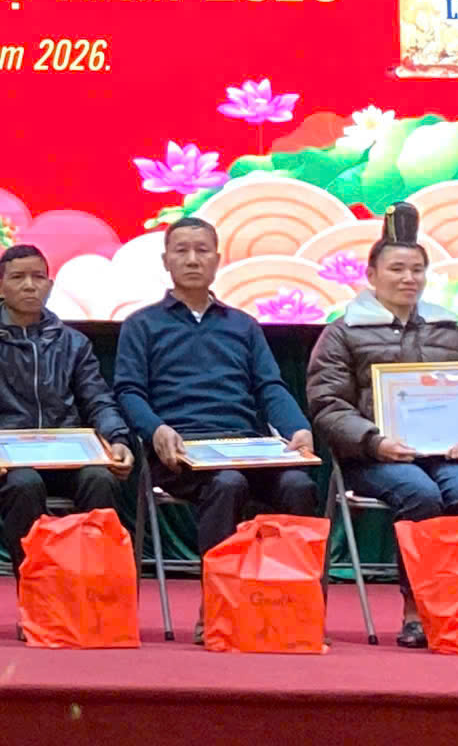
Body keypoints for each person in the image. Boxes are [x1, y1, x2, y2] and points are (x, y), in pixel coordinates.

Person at [113, 215, 317, 639]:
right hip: (181, 451)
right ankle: (219, 606)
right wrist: (156, 429)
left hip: (246, 447)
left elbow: (270, 387)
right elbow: (129, 392)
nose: (192, 260)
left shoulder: (242, 325)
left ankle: (290, 607)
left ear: (218, 259)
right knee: (227, 483)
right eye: (182, 251)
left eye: (202, 250)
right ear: (166, 261)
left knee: (297, 484)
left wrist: (297, 427)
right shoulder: (142, 325)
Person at [306, 202, 458, 648]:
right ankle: (419, 609)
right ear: (371, 276)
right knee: (420, 494)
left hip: (446, 454)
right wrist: (375, 441)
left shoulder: (450, 331)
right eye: (397, 269)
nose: (409, 278)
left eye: (417, 270)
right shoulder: (342, 332)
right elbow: (328, 405)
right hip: (374, 457)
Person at [0, 245, 134, 563]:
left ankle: (92, 581)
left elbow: (98, 399)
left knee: (101, 479)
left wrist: (118, 439)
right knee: (25, 483)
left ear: (50, 285)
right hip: (2, 463)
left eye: (38, 277)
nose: (29, 285)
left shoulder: (73, 342)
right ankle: (36, 585)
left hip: (66, 457)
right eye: (18, 277)